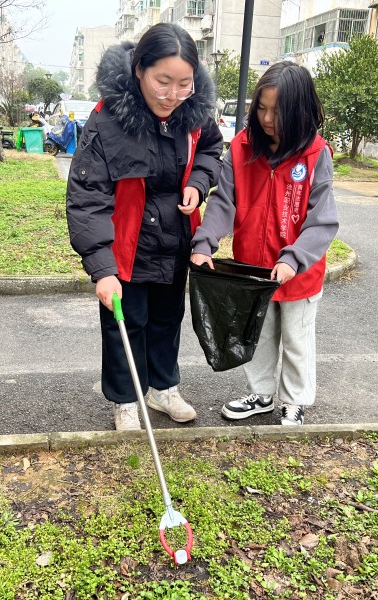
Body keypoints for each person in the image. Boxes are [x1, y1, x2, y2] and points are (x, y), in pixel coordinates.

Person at [66, 24, 223, 431]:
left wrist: (197, 182)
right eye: (163, 82)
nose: (172, 95)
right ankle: (125, 399)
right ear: (139, 71)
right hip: (126, 244)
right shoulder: (107, 120)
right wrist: (101, 268)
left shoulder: (196, 114)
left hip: (174, 240)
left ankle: (163, 388)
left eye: (184, 84)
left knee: (168, 318)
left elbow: (211, 151)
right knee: (125, 322)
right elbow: (87, 196)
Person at [191, 61, 339, 426]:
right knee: (257, 333)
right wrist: (204, 243)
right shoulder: (241, 148)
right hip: (252, 269)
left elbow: (323, 220)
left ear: (300, 111)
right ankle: (261, 394)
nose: (268, 118)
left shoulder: (316, 154)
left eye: (278, 110)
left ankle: (295, 400)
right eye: (262, 107)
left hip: (297, 275)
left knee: (296, 339)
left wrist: (294, 258)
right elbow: (224, 201)